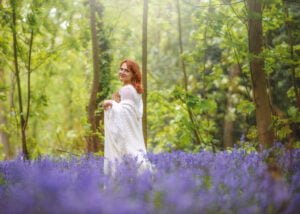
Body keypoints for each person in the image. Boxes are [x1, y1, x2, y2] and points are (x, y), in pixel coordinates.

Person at [103, 59, 151, 175]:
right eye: (121, 69)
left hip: (129, 136)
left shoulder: (127, 90)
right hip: (135, 134)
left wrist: (111, 103)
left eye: (127, 71)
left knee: (130, 159)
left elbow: (125, 114)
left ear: (133, 74)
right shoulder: (134, 89)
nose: (122, 72)